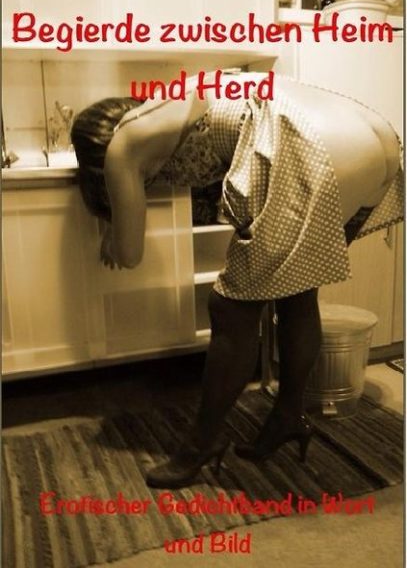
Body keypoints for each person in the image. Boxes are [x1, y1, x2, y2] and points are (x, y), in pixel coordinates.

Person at [71, 71, 403, 489]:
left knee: (230, 310)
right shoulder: (165, 103)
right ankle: (288, 417)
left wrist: (114, 225)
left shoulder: (123, 144)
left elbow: (130, 254)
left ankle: (199, 446)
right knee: (298, 290)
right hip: (376, 139)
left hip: (309, 146)